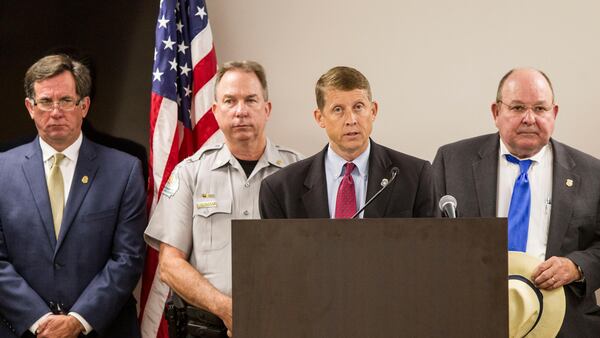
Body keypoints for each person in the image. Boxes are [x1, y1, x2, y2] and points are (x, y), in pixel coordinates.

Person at [432, 68, 600, 336]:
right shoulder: (452, 162)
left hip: (565, 323)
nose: (529, 118)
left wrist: (576, 267)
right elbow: (427, 239)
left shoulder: (592, 173)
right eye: (518, 107)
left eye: (540, 108)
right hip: (471, 317)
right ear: (496, 112)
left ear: (554, 114)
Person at [144, 60, 302, 337]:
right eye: (230, 101)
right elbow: (169, 265)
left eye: (250, 100)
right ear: (216, 111)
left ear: (267, 109)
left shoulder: (300, 172)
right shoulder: (189, 173)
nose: (240, 111)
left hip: (282, 325)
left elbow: (317, 256)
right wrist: (226, 309)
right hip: (205, 328)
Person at [0, 54, 147, 337]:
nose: (56, 111)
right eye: (45, 101)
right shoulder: (2, 171)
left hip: (101, 329)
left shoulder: (124, 170)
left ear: (84, 106)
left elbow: (128, 258)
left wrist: (78, 320)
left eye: (66, 100)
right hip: (22, 330)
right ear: (30, 107)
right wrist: (39, 320)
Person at [259, 66, 435, 219]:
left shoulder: (415, 176)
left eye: (358, 107)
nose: (351, 120)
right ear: (320, 118)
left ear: (373, 111)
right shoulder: (281, 188)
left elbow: (431, 249)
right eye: (338, 110)